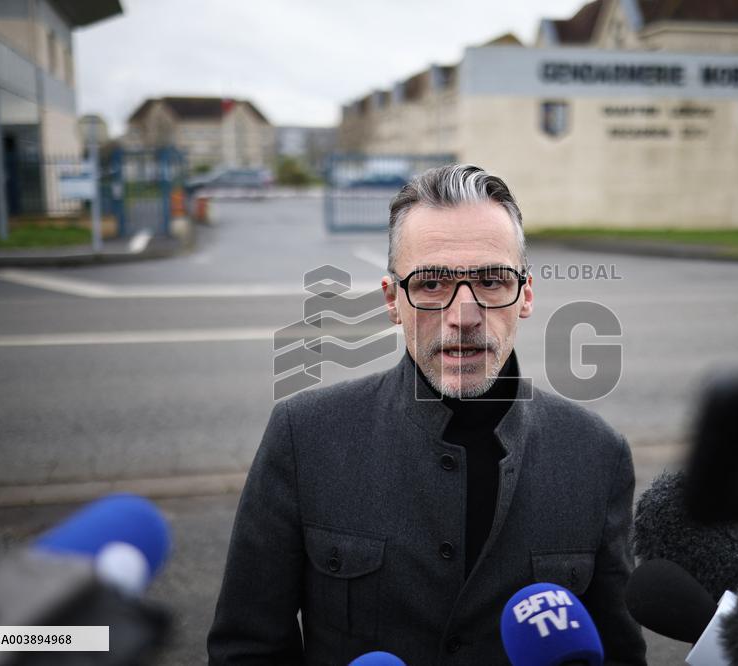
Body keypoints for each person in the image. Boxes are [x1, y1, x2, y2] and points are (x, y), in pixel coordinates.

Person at [207, 164, 647, 665]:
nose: (463, 316)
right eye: (432, 283)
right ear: (392, 300)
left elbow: (620, 655)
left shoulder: (597, 455)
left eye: (491, 280)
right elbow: (247, 651)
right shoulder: (303, 437)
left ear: (525, 294)